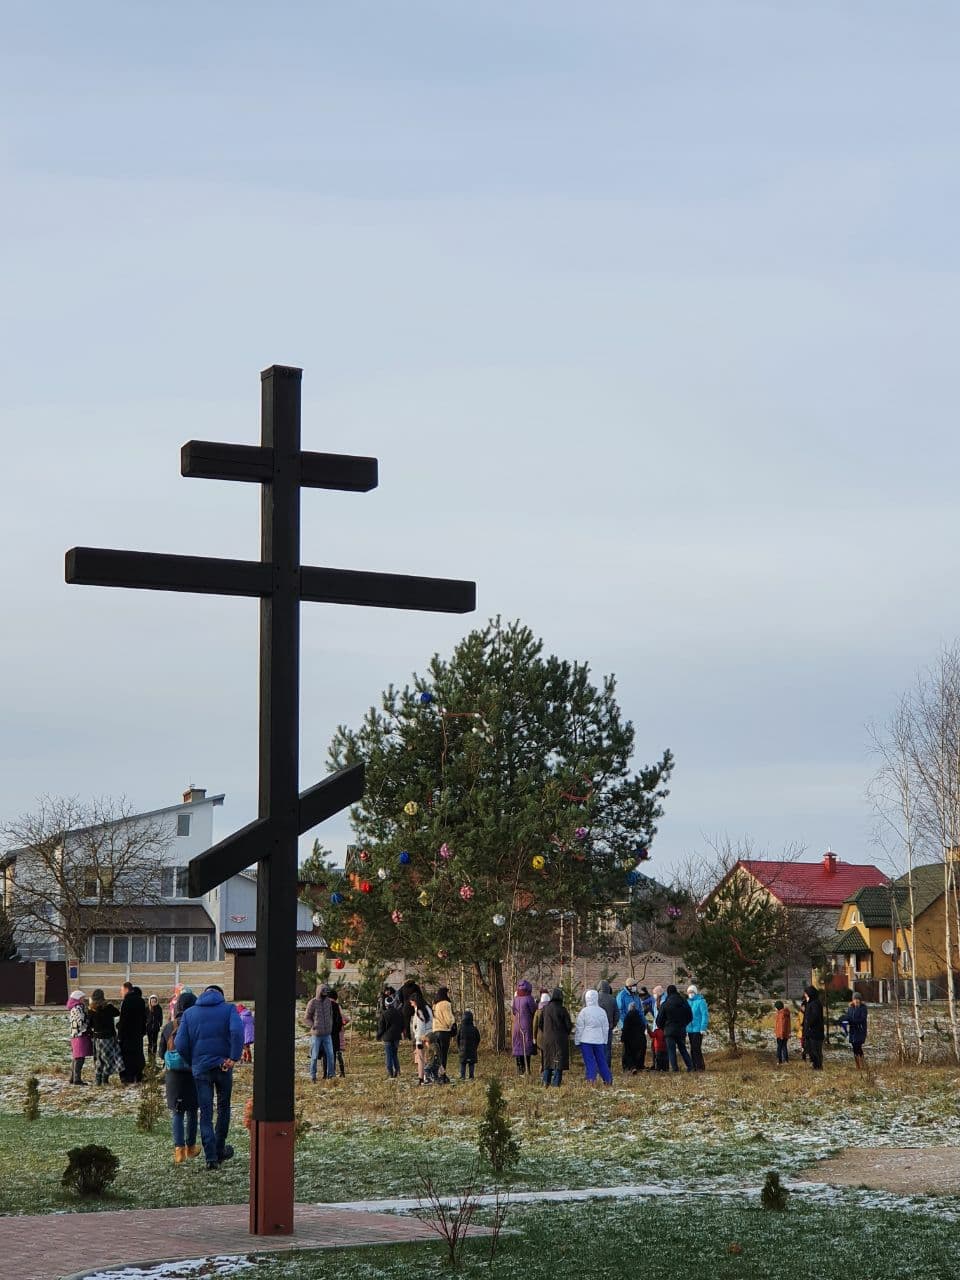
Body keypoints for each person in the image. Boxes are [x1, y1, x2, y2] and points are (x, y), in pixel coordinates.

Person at [175, 984, 243, 1170]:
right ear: (220, 995)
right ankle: (220, 1149)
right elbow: (237, 1032)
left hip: (201, 1069)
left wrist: (193, 1061)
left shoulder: (189, 1014)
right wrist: (233, 1057)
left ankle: (210, 1157)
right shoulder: (229, 1009)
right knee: (223, 1108)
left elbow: (180, 1043)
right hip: (223, 1066)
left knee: (205, 1113)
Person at [160, 1010, 199, 1163]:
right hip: (191, 1073)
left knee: (177, 1112)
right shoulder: (194, 1025)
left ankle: (179, 1151)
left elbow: (160, 1052)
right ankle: (191, 1147)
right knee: (192, 1111)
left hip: (173, 1075)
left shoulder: (169, 1026)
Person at [574, 989, 613, 1085]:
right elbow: (605, 1027)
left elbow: (579, 1028)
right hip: (599, 1040)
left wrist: (577, 1040)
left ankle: (591, 1080)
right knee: (602, 1061)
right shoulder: (602, 1012)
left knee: (589, 1061)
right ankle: (608, 1080)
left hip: (586, 1041)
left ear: (586, 999)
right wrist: (604, 1040)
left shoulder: (584, 1012)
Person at [87, 988, 122, 1086]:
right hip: (109, 1037)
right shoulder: (108, 1008)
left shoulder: (91, 1009)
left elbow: (89, 1024)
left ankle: (98, 1079)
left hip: (97, 1037)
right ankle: (105, 1078)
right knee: (109, 1059)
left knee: (98, 1059)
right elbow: (117, 1013)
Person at [540, 987, 573, 1086]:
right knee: (558, 1061)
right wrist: (566, 1033)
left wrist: (546, 1032)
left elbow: (540, 1023)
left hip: (547, 1038)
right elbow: (568, 1025)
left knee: (548, 1059)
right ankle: (556, 1083)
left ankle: (546, 1081)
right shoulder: (562, 1010)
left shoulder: (545, 1009)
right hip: (560, 1039)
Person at [656, 984, 693, 1073]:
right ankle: (690, 1066)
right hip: (681, 1030)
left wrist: (663, 1027)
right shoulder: (684, 1002)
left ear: (668, 992)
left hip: (669, 1031)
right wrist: (684, 1024)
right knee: (683, 1049)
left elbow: (659, 1020)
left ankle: (675, 1069)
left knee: (671, 1050)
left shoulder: (665, 1004)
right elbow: (690, 1016)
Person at [304, 983, 335, 1082]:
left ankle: (331, 1075)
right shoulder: (312, 1003)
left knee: (330, 1055)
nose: (325, 994)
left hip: (327, 1034)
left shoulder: (328, 1002)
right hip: (316, 1035)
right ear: (319, 992)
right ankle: (313, 1076)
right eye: (324, 992)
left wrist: (330, 1024)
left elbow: (330, 1014)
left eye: (327, 992)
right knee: (314, 1056)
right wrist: (313, 1025)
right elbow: (306, 1018)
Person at [118, 982, 147, 1084]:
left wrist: (120, 1034)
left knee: (127, 1056)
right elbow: (144, 1018)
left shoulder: (126, 1001)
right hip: (138, 1033)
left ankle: (129, 1077)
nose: (121, 993)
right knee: (138, 1054)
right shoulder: (141, 1001)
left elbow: (123, 1020)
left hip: (127, 1034)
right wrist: (143, 1031)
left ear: (126, 989)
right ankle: (138, 1076)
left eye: (121, 990)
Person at [511, 979, 537, 1074]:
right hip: (526, 1025)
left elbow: (513, 1011)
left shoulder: (516, 999)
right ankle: (527, 1068)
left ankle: (519, 1069)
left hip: (517, 1025)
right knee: (526, 1046)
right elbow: (533, 1010)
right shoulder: (529, 998)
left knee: (518, 1046)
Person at [66, 990, 92, 1085]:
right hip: (80, 1035)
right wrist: (88, 1026)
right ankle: (77, 1079)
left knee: (76, 1057)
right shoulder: (78, 1008)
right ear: (78, 998)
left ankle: (72, 1077)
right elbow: (81, 1021)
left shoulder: (73, 1008)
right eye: (82, 998)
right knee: (79, 1058)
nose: (84, 1000)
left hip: (74, 1034)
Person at [376, 990, 404, 1078]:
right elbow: (403, 1024)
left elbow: (382, 1027)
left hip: (387, 1037)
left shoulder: (384, 1014)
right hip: (396, 1037)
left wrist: (378, 1036)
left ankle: (390, 1071)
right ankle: (397, 1070)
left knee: (388, 1055)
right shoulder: (399, 1013)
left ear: (386, 1004)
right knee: (395, 1054)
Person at [431, 986, 456, 1080]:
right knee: (444, 1055)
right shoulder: (445, 1004)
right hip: (444, 1031)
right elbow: (448, 1018)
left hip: (435, 1031)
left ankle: (436, 1073)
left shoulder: (435, 1004)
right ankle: (442, 1074)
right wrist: (453, 1024)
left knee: (437, 1054)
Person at [410, 992, 434, 1084]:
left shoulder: (419, 1011)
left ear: (415, 1001)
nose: (411, 1003)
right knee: (433, 1056)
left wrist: (418, 1041)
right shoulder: (427, 1008)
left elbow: (420, 1027)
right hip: (430, 1034)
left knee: (421, 1058)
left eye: (412, 1002)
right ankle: (440, 1073)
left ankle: (421, 1077)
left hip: (422, 1037)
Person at [840, 992, 868, 1069]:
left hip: (860, 1030)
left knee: (858, 1046)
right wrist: (843, 1020)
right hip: (853, 1031)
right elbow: (848, 1017)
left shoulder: (863, 1008)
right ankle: (858, 1065)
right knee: (854, 1047)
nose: (856, 1001)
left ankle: (862, 1064)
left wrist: (852, 1021)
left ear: (860, 1000)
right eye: (855, 999)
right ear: (852, 1000)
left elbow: (862, 1019)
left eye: (858, 999)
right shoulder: (850, 1008)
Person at [801, 987, 825, 1071]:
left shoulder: (815, 1003)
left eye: (806, 993)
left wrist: (808, 1023)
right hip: (810, 1032)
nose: (805, 995)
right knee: (810, 1050)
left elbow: (814, 1016)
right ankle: (815, 1066)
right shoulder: (810, 1003)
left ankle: (818, 1067)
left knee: (816, 1051)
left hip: (815, 1032)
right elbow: (807, 1014)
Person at [686, 984, 709, 1071]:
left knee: (696, 1048)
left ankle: (700, 1066)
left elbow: (704, 1015)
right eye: (689, 992)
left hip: (698, 1029)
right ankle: (694, 1066)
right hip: (690, 1029)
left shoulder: (701, 1001)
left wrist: (703, 1027)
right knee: (692, 1048)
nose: (690, 994)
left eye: (691, 992)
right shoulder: (688, 1002)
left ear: (695, 992)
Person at [597, 980, 618, 1068]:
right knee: (607, 1048)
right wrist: (613, 1024)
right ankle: (606, 1066)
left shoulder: (596, 998)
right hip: (608, 1027)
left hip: (597, 1027)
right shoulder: (612, 999)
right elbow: (617, 1013)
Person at [621, 1005, 647, 1074]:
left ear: (629, 1009)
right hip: (639, 1038)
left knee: (628, 1053)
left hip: (629, 1039)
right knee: (637, 1054)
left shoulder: (627, 1016)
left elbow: (625, 1028)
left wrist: (623, 1038)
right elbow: (643, 1027)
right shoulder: (639, 1017)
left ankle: (631, 1067)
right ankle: (638, 1067)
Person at [457, 1009, 481, 1080]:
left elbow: (457, 1039)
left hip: (463, 1050)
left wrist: (459, 1047)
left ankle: (462, 1076)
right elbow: (478, 1038)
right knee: (471, 1063)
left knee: (463, 1063)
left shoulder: (461, 1029)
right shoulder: (474, 1029)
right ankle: (471, 1076)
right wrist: (475, 1046)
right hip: (472, 1050)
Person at [328, 989, 346, 1078]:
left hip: (330, 1033)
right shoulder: (337, 1005)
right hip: (338, 1032)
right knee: (338, 1052)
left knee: (331, 1052)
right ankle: (342, 1071)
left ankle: (332, 1071)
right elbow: (344, 1018)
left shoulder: (326, 1004)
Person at [145, 995, 163, 1061]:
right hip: (149, 1027)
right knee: (150, 1042)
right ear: (150, 1001)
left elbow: (160, 1017)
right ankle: (149, 1054)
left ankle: (154, 1054)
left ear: (156, 1001)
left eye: (155, 1001)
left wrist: (160, 1023)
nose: (153, 1002)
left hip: (156, 1027)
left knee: (155, 1041)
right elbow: (144, 1017)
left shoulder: (158, 1008)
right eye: (152, 1001)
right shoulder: (147, 1008)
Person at [774, 1001, 791, 1065]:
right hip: (785, 1033)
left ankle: (779, 1060)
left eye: (775, 1007)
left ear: (778, 1007)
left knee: (779, 1047)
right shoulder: (786, 1013)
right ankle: (786, 1060)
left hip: (780, 1034)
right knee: (784, 1046)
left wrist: (781, 1034)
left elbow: (781, 1025)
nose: (775, 1009)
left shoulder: (781, 1014)